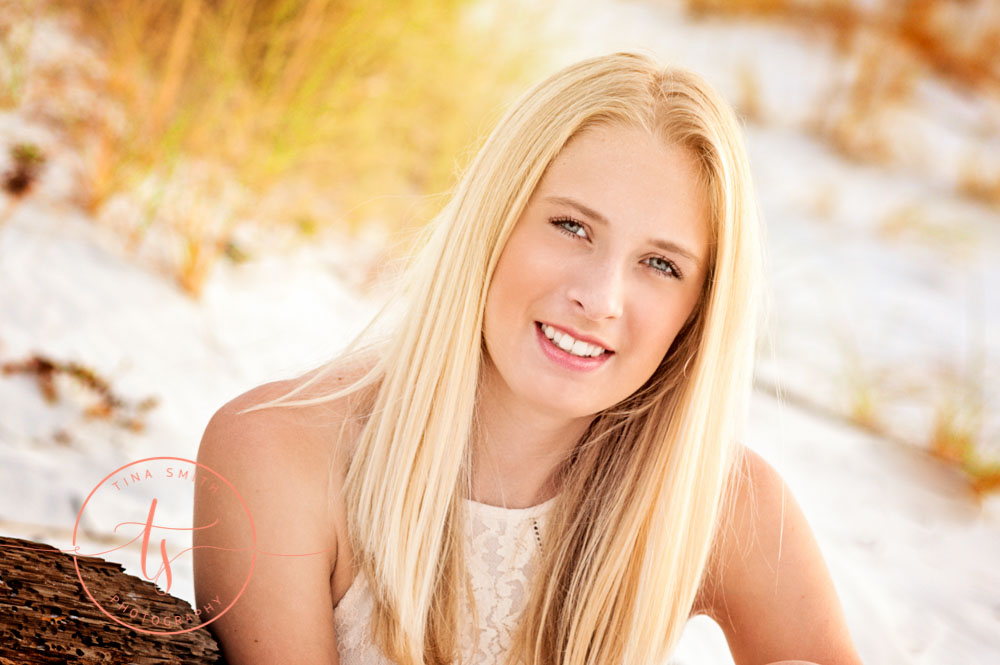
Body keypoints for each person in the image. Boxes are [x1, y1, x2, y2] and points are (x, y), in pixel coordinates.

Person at [193, 51, 863, 665]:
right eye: (572, 226)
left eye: (660, 264)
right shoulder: (278, 455)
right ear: (494, 220)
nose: (599, 298)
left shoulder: (726, 505)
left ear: (698, 312)